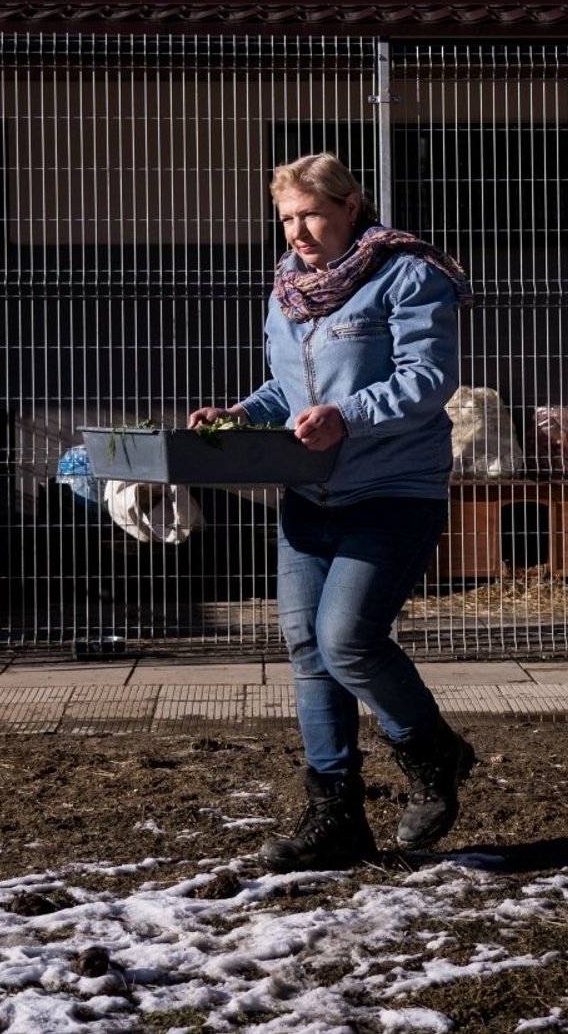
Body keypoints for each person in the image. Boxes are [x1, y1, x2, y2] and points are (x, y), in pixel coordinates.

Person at [189, 152, 475, 870]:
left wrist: (346, 415)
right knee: (308, 651)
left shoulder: (409, 275)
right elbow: (287, 394)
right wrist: (237, 414)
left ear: (352, 205)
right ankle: (335, 814)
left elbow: (428, 380)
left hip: (393, 490)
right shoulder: (289, 292)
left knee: (347, 637)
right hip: (307, 495)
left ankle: (433, 753)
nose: (298, 231)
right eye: (287, 218)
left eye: (312, 213)